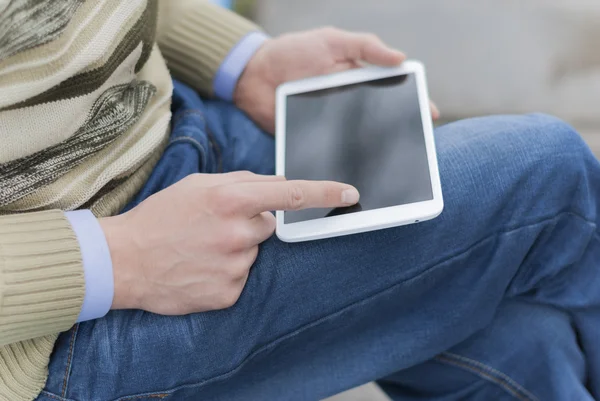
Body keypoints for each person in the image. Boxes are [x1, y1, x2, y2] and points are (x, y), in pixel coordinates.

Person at [0, 1, 597, 400]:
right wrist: (120, 257)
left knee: (523, 344)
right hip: (50, 323)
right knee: (546, 170)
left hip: (183, 132)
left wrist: (242, 61)